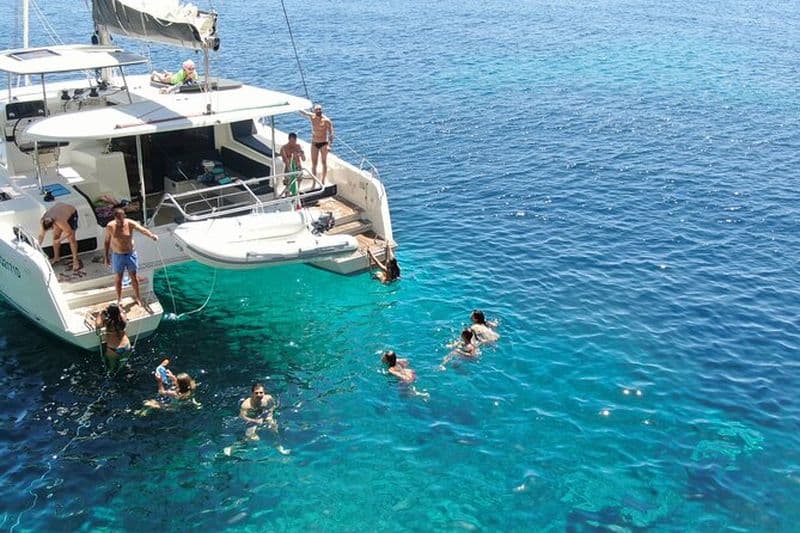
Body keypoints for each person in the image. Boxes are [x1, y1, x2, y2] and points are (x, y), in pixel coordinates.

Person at [104, 208, 158, 306]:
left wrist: (151, 236)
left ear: (124, 216)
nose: (120, 223)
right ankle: (119, 299)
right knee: (119, 278)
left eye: (121, 220)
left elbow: (142, 230)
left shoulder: (130, 223)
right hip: (118, 255)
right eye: (118, 220)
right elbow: (107, 241)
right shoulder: (110, 226)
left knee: (133, 276)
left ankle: (138, 297)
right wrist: (106, 257)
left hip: (130, 254)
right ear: (115, 218)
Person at [38, 202, 80, 272]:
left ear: (53, 224)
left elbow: (69, 232)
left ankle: (75, 260)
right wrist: (38, 245)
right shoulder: (43, 220)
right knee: (55, 236)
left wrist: (59, 240)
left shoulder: (60, 221)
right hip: (58, 210)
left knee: (71, 239)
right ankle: (56, 257)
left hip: (71, 214)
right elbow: (41, 235)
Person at [298, 104, 334, 183]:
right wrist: (297, 106)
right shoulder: (312, 117)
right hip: (314, 142)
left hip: (324, 143)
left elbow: (331, 134)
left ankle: (323, 180)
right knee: (314, 163)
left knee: (324, 162)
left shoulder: (326, 121)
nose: (319, 111)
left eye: (320, 109)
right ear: (314, 111)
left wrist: (329, 145)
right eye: (317, 109)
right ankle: (314, 180)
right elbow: (304, 113)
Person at [94, 302, 131, 374]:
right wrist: (118, 309)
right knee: (123, 363)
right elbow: (123, 312)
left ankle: (111, 373)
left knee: (112, 366)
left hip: (113, 349)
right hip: (126, 346)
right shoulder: (123, 320)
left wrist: (100, 314)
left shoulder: (107, 322)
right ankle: (122, 370)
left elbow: (98, 324)